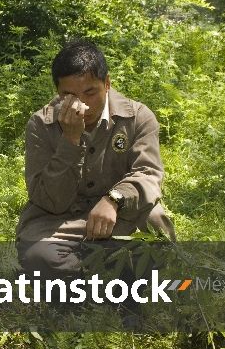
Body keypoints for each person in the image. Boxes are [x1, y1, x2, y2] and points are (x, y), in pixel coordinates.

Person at [16, 39, 174, 273]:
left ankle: (123, 296)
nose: (83, 106)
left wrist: (114, 199)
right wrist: (70, 141)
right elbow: (51, 201)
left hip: (121, 216)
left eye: (90, 92)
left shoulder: (138, 117)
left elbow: (148, 174)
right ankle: (82, 294)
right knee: (37, 255)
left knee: (157, 232)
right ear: (58, 92)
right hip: (58, 221)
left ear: (107, 83)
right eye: (69, 95)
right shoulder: (41, 124)